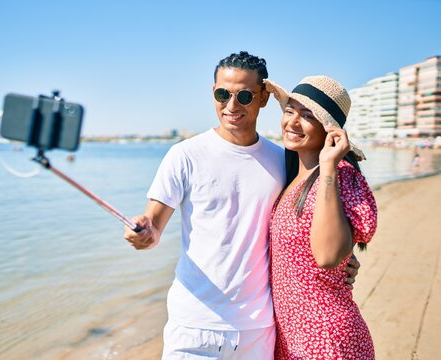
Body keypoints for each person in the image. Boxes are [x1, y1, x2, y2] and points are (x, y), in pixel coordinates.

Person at [124, 52, 359, 359]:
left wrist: (344, 258)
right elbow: (152, 227)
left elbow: (305, 215)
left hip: (258, 331)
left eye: (244, 96)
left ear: (263, 98)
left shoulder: (284, 160)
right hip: (194, 326)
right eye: (224, 94)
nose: (232, 106)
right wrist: (142, 233)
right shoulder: (184, 155)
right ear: (213, 92)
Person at [264, 76, 377, 359]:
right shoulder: (291, 176)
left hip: (326, 339)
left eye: (307, 116)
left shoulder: (340, 174)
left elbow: (327, 256)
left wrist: (328, 167)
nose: (292, 122)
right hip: (292, 339)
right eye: (290, 110)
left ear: (329, 130)